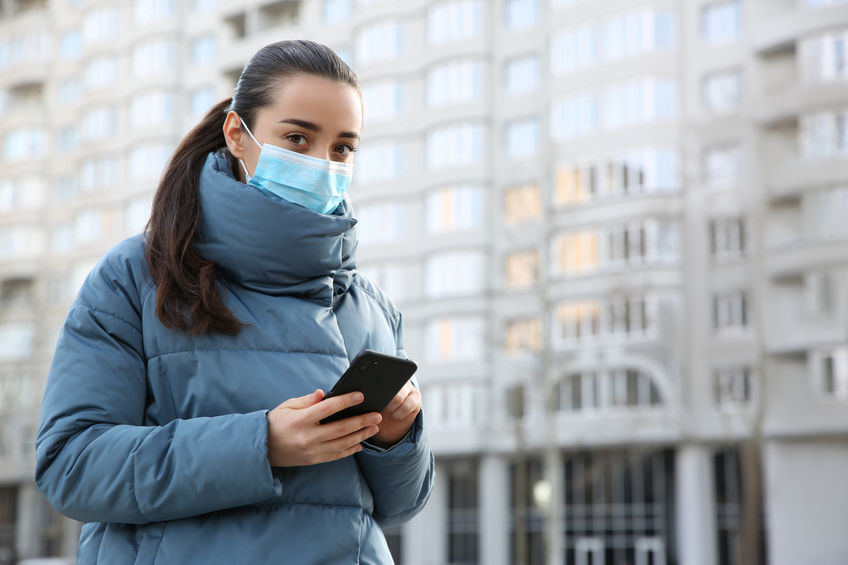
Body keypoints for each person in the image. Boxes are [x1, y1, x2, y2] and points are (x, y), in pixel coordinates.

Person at [34, 39, 434, 565]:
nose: (324, 163)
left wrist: (397, 439)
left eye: (343, 147)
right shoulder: (134, 276)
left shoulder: (371, 308)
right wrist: (260, 445)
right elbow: (71, 467)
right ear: (237, 136)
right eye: (297, 138)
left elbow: (398, 506)